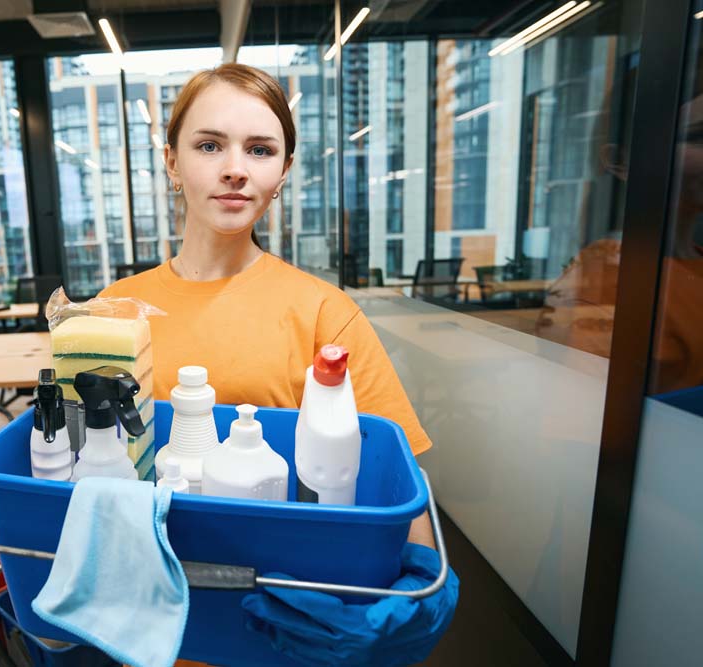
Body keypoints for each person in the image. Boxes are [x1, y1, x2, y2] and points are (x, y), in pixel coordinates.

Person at [97, 63, 457, 666]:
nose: (235, 167)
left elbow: (395, 482)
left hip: (277, 622)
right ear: (171, 161)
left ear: (282, 171)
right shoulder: (115, 311)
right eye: (209, 145)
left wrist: (424, 586)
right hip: (143, 622)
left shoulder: (323, 315)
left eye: (260, 149)